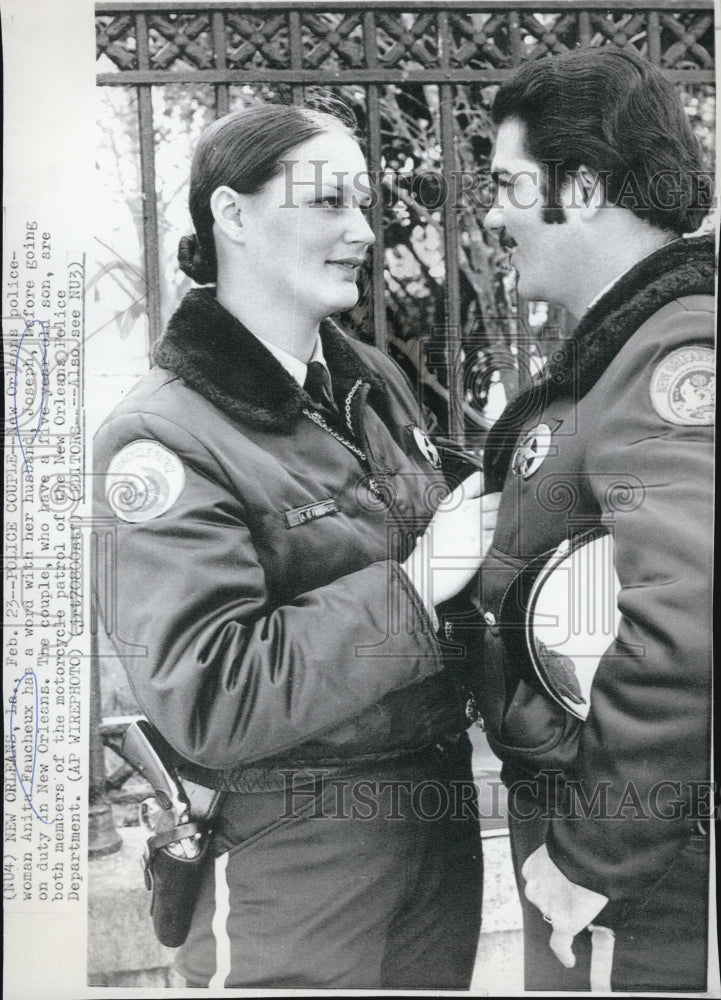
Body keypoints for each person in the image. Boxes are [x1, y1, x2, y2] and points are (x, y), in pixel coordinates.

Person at [93, 103, 500, 989]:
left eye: (364, 204)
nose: (362, 232)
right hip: (291, 850)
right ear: (231, 215)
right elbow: (212, 696)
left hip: (433, 824)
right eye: (326, 201)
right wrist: (418, 583)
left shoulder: (366, 381)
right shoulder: (161, 436)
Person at [478, 46, 715, 992]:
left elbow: (690, 616)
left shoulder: (674, 352)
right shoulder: (627, 351)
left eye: (507, 184)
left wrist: (593, 858)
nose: (492, 213)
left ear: (579, 189)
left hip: (638, 884)